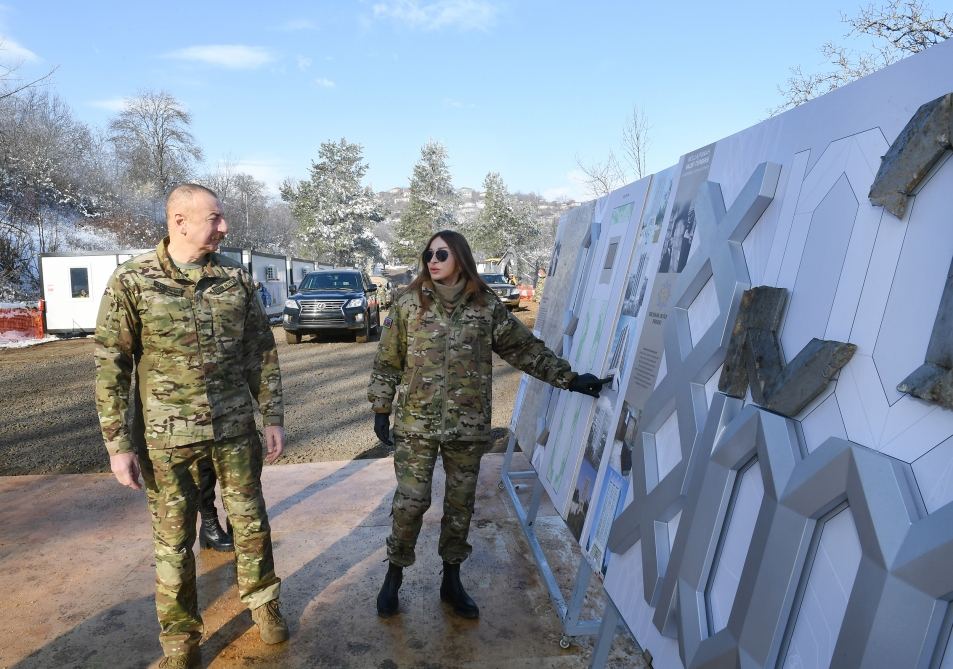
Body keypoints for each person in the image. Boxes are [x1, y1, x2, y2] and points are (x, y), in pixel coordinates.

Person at [368, 229, 610, 620]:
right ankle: (394, 576)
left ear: (460, 258)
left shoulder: (484, 306)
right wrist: (381, 406)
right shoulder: (409, 303)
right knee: (411, 503)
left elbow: (523, 349)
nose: (432, 259)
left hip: (467, 426)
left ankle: (452, 580)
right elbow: (387, 358)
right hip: (416, 424)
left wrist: (569, 378)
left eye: (441, 253)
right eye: (428, 253)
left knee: (460, 505)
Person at [94, 183, 288, 668]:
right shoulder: (132, 281)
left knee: (250, 524)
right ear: (179, 220)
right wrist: (118, 444)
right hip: (166, 439)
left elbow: (259, 353)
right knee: (173, 542)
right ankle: (180, 640)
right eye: (215, 218)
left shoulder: (234, 280)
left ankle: (263, 604)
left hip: (233, 431)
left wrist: (273, 416)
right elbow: (111, 366)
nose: (224, 227)